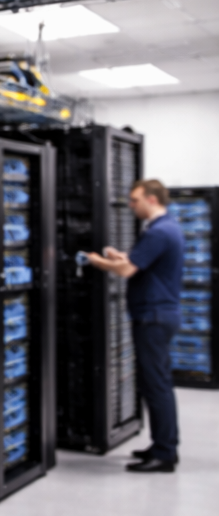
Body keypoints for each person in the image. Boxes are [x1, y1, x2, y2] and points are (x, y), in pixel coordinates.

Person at [84, 178, 184, 473]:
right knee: (156, 383)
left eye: (134, 200)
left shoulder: (159, 232)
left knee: (156, 385)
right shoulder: (167, 228)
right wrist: (121, 256)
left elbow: (127, 271)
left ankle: (165, 454)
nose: (131, 205)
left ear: (152, 199)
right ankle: (161, 445)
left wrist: (98, 262)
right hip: (158, 315)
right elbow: (137, 262)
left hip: (153, 316)